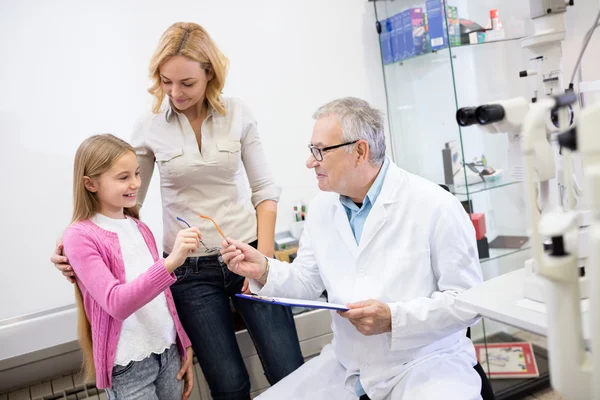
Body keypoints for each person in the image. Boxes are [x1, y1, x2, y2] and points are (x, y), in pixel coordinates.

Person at [52, 22, 304, 400]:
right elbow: (122, 196)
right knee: (228, 383)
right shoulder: (150, 125)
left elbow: (265, 192)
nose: (175, 92)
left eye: (186, 83)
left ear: (209, 74)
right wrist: (75, 238)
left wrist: (263, 263)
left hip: (247, 252)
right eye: (167, 82)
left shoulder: (238, 113)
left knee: (288, 369)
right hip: (190, 272)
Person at [220, 97, 485, 400]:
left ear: (360, 151)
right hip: (349, 366)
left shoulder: (436, 206)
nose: (310, 162)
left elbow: (467, 304)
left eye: (319, 151)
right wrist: (264, 270)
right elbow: (307, 282)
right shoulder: (322, 208)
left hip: (426, 364)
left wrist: (394, 318)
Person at [63, 134, 200, 399]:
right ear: (90, 184)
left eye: (136, 173)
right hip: (128, 367)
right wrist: (171, 263)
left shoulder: (140, 227)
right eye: (123, 177)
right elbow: (117, 303)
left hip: (168, 351)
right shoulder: (79, 236)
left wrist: (183, 343)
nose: (136, 183)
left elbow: (163, 300)